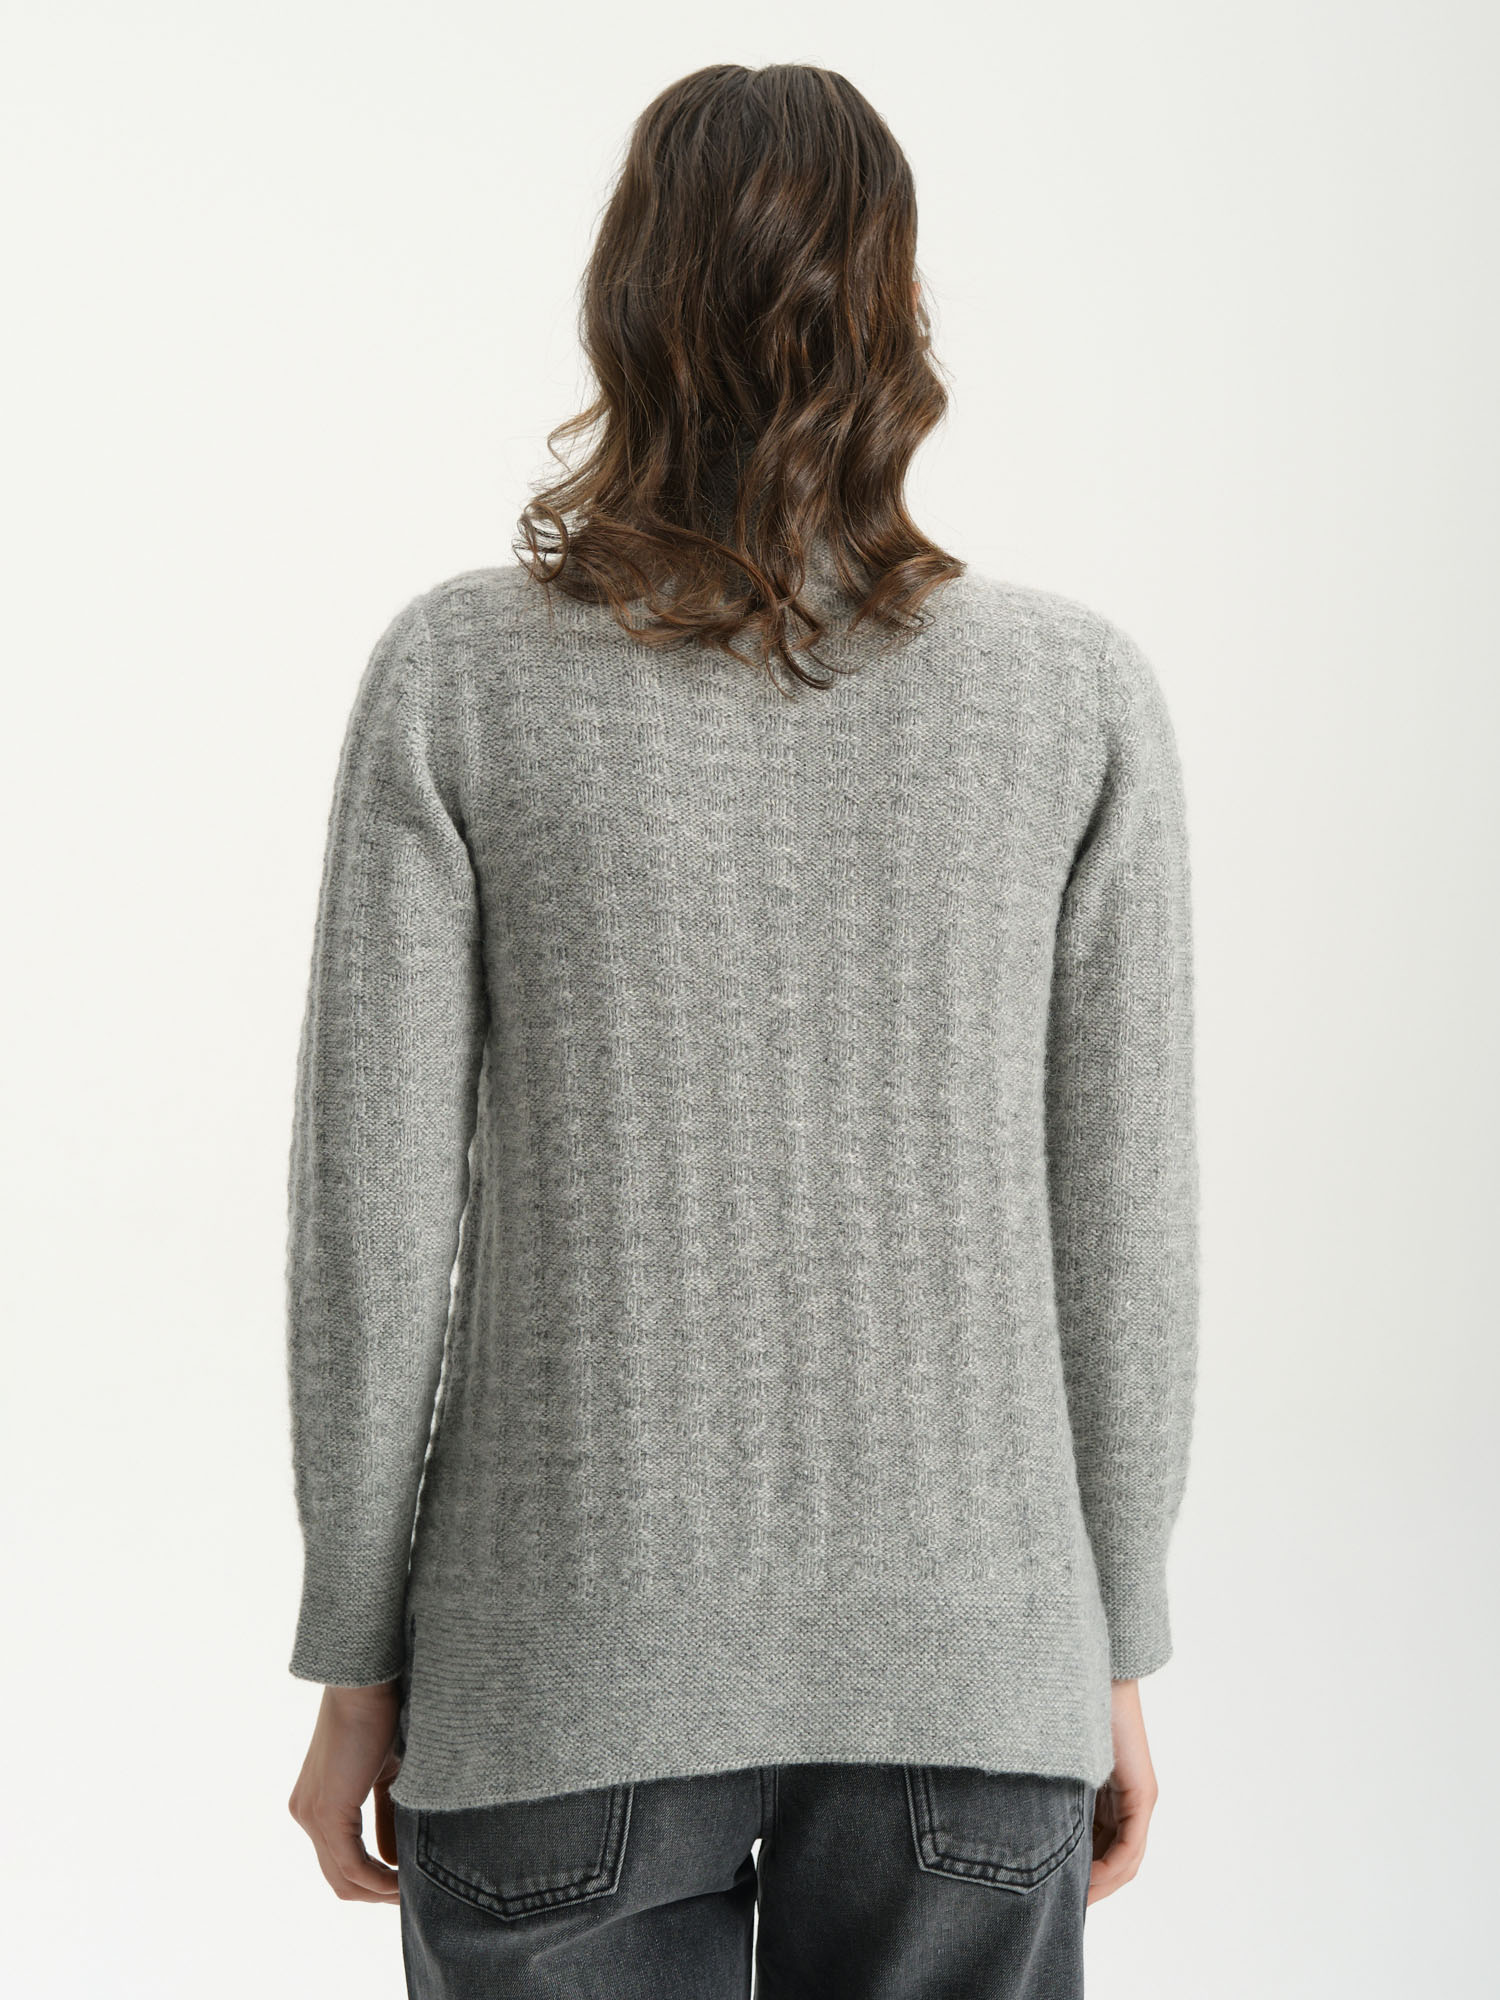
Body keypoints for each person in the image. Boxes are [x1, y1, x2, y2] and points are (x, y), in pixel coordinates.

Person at [283, 61, 1199, 2000]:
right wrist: (1108, 1644)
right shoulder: (1075, 698)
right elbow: (1126, 1229)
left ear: (622, 304)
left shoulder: (461, 676)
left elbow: (370, 1226)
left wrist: (357, 1658)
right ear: (904, 319)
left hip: (560, 1663)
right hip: (972, 1666)